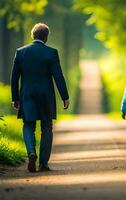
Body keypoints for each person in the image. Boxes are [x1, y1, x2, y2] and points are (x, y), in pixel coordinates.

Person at [10, 23, 70, 172]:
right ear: (46, 37)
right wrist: (65, 96)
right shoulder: (51, 53)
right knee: (46, 127)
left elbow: (14, 77)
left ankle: (31, 152)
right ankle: (43, 163)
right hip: (45, 96)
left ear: (33, 35)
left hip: (27, 94)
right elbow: (58, 76)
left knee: (28, 125)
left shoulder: (20, 52)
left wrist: (15, 98)